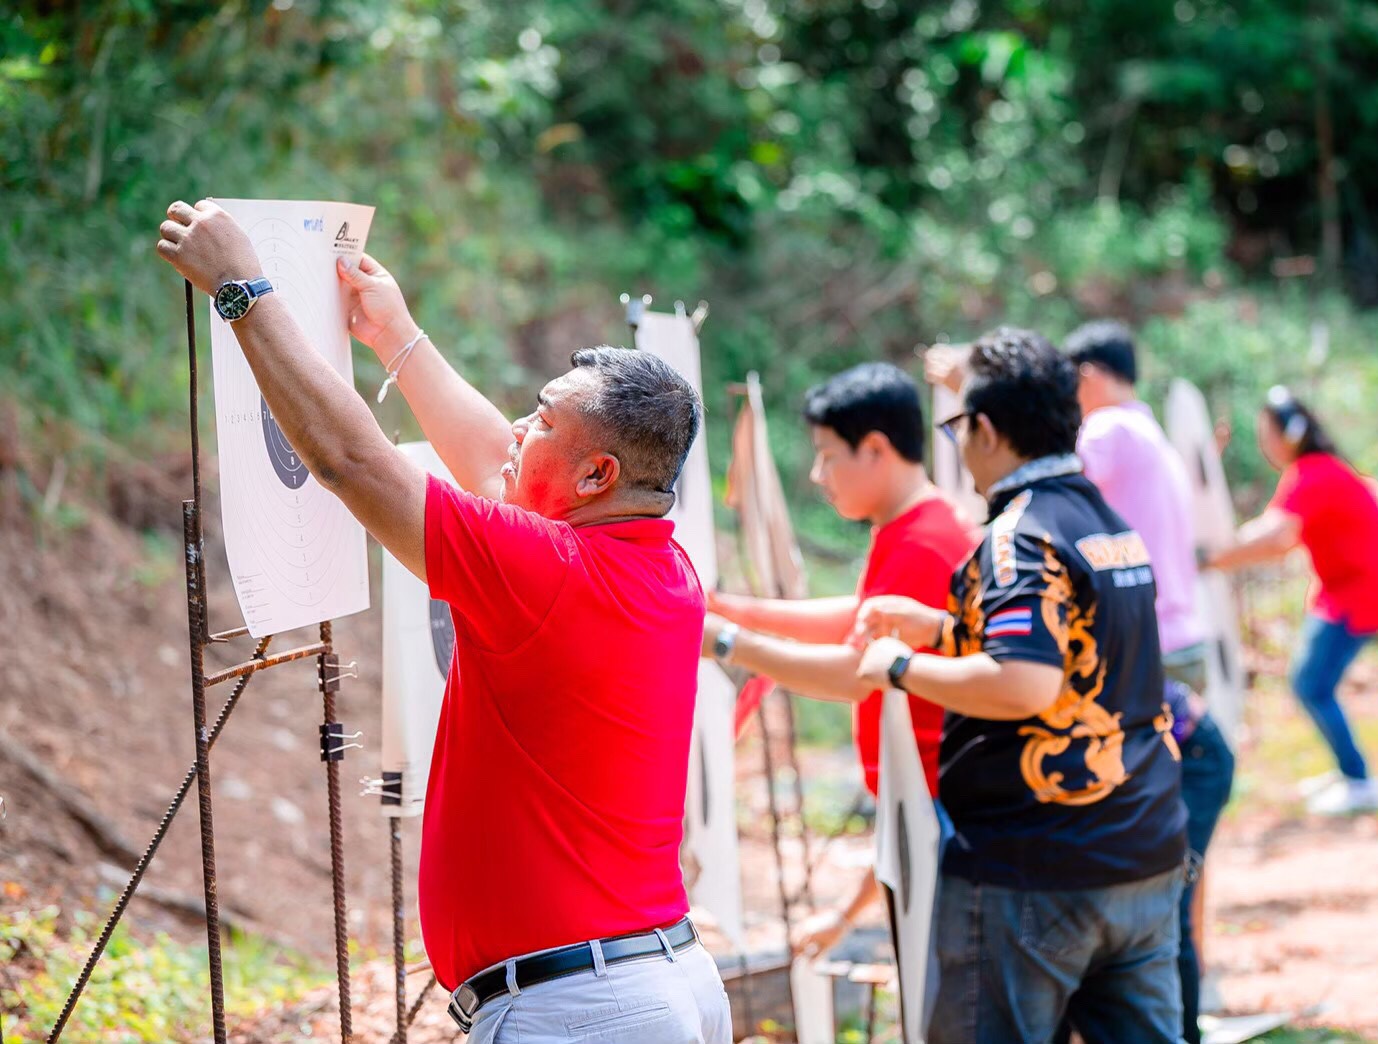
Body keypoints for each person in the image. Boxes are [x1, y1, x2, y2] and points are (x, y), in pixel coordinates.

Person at [157, 200, 731, 1044]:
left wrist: (242, 289)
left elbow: (352, 463)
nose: (519, 429)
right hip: (654, 980)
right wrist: (397, 337)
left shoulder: (550, 573)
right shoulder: (659, 566)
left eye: (541, 420)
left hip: (584, 1009)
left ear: (597, 475)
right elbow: (501, 462)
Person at [858, 328, 1187, 1044]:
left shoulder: (1018, 535)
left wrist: (899, 667)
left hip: (1036, 864)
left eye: (956, 427)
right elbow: (1075, 656)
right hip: (1141, 850)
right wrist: (944, 629)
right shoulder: (1106, 523)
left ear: (984, 428)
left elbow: (1024, 683)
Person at [703, 362, 977, 958]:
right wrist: (733, 610)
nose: (817, 474)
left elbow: (858, 674)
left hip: (940, 815)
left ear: (875, 449)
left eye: (828, 457)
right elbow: (860, 617)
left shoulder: (924, 542)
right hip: (926, 808)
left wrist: (726, 641)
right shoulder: (912, 525)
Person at [1063, 320, 1235, 1044]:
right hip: (1179, 639)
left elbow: (1041, 478)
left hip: (1145, 648)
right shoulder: (1151, 433)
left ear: (1088, 376)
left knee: (1152, 868)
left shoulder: (1107, 433)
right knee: (1174, 857)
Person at [1205, 386, 1378, 816]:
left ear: (1289, 436)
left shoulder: (1315, 474)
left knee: (1312, 685)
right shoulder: (1314, 472)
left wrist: (1216, 557)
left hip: (1358, 594)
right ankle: (1348, 772)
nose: (1264, 445)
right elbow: (1273, 529)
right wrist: (1226, 553)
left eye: (1267, 435)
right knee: (1312, 684)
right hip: (1340, 592)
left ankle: (1359, 780)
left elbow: (1277, 536)